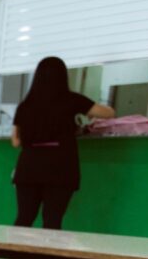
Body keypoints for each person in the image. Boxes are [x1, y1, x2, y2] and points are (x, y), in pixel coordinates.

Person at [12, 56, 115, 229]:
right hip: (60, 166)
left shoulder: (25, 105)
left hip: (29, 166)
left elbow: (15, 141)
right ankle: (47, 257)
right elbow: (108, 113)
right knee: (52, 220)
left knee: (24, 217)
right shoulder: (72, 100)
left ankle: (12, 255)